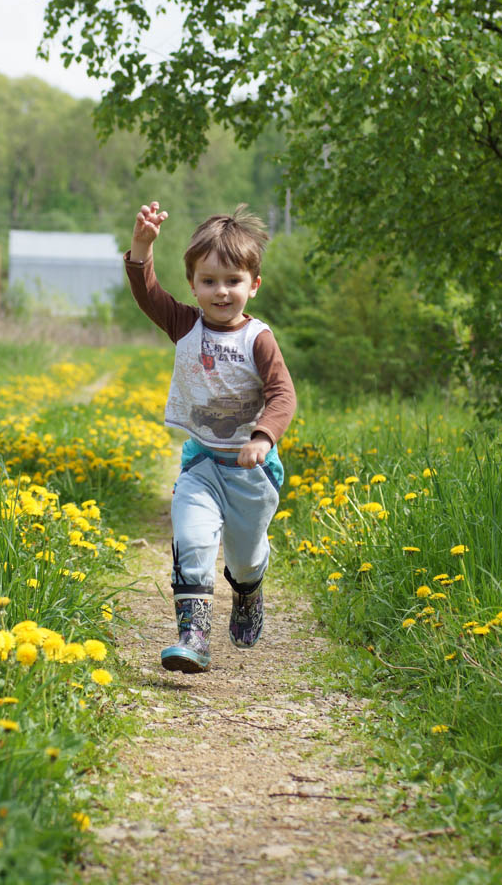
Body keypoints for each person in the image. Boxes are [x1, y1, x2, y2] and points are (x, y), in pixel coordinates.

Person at [124, 200, 296, 674]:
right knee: (193, 540)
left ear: (253, 285)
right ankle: (193, 635)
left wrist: (263, 436)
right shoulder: (185, 325)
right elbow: (146, 293)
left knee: (243, 559)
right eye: (209, 281)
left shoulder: (258, 339)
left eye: (233, 281)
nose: (221, 292)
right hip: (201, 463)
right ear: (194, 286)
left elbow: (282, 394)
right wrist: (142, 245)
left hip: (251, 471)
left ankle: (247, 590)